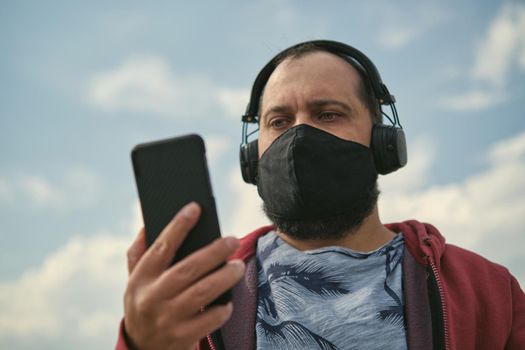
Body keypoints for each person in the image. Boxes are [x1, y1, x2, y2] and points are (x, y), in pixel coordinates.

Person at [116, 40, 525, 350]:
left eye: (328, 114)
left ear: (383, 142)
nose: (298, 135)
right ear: (251, 158)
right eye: (278, 121)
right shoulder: (200, 300)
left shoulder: (489, 292)